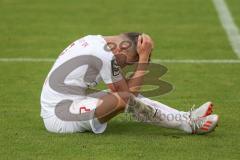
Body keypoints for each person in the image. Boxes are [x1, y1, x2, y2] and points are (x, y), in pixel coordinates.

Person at [40, 32, 219, 134]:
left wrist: (142, 58)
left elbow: (129, 90)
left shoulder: (98, 43)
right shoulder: (104, 54)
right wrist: (142, 59)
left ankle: (186, 116)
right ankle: (188, 125)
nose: (126, 65)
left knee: (126, 96)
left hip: (73, 103)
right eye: (129, 61)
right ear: (124, 47)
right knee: (124, 99)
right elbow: (127, 96)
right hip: (59, 116)